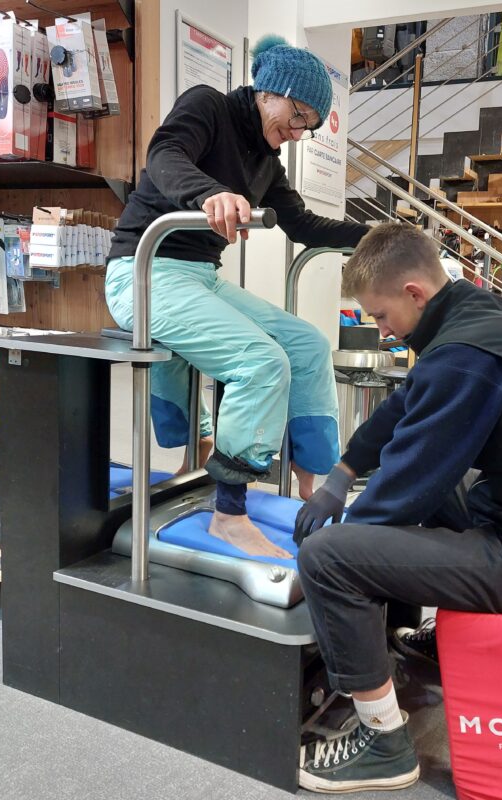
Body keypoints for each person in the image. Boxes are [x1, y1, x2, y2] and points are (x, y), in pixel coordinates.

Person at [292, 223, 502, 794]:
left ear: (414, 294)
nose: (381, 329)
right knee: (419, 500)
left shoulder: (464, 356)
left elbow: (407, 484)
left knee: (331, 555)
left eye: (380, 316)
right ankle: (425, 642)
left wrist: (327, 566)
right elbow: (406, 404)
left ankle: (383, 743)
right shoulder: (473, 309)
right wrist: (344, 471)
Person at [105, 35, 368, 560]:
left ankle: (310, 485)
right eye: (297, 116)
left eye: (308, 127)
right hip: (143, 271)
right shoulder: (209, 106)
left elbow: (303, 224)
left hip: (200, 276)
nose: (296, 133)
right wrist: (210, 194)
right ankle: (229, 513)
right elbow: (164, 155)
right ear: (270, 92)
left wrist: (375, 235)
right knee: (262, 361)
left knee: (307, 344)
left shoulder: (267, 162)